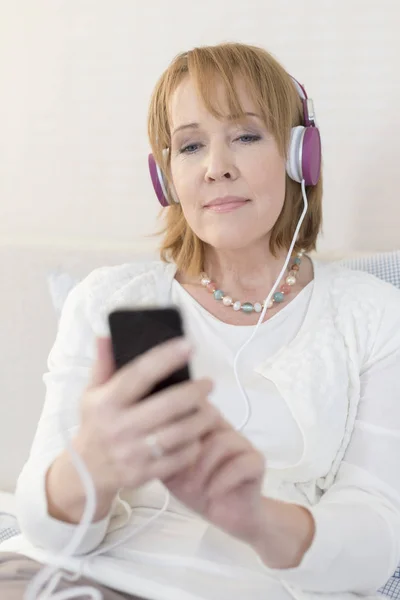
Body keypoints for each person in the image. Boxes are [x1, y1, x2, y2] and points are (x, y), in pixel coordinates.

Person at [0, 42, 399, 600]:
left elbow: (375, 539)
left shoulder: (374, 315)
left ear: (298, 155)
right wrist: (90, 463)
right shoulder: (105, 301)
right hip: (78, 577)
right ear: (166, 177)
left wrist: (256, 517)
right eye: (190, 145)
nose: (217, 168)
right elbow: (47, 530)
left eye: (245, 135)